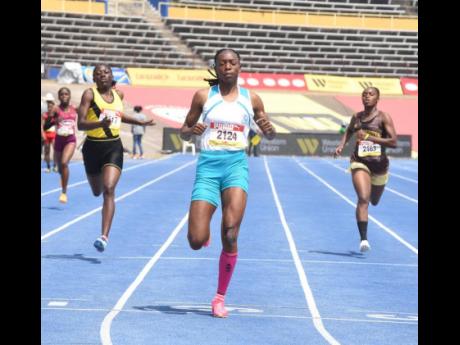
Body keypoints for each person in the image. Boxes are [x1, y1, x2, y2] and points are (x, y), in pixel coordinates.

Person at [179, 48, 276, 318]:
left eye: (232, 62)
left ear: (240, 66)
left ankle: (219, 297)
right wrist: (192, 131)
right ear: (216, 67)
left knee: (231, 233)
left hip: (236, 166)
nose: (228, 67)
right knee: (195, 241)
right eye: (222, 63)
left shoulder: (252, 99)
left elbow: (269, 131)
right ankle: (205, 232)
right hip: (208, 168)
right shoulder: (203, 97)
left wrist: (270, 130)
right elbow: (184, 132)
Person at [77, 64, 155, 252]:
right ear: (94, 79)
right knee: (97, 191)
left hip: (113, 146)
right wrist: (99, 122)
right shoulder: (89, 95)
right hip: (92, 148)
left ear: (111, 76)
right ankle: (101, 184)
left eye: (106, 72)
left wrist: (139, 121)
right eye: (98, 73)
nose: (102, 75)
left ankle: (103, 236)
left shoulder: (119, 95)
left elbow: (119, 116)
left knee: (109, 189)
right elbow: (80, 124)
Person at [334, 87, 397, 252]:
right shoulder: (357, 117)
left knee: (374, 201)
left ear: (377, 99)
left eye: (371, 94)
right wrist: (341, 145)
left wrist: (369, 137)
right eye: (364, 94)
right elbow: (349, 131)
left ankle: (373, 192)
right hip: (359, 161)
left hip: (379, 165)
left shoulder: (383, 117)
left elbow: (393, 142)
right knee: (363, 198)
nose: (367, 97)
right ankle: (364, 240)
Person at [48, 87, 78, 203]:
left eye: (66, 94)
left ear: (69, 96)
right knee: (60, 167)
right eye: (62, 94)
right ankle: (63, 178)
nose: (64, 96)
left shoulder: (74, 108)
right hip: (58, 141)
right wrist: (54, 120)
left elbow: (86, 114)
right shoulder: (55, 109)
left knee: (65, 163)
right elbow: (46, 125)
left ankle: (64, 192)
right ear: (59, 96)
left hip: (70, 140)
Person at [41, 93, 58, 173]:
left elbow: (58, 124)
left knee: (55, 150)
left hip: (54, 134)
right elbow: (42, 126)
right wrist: (43, 135)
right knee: (47, 151)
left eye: (51, 106)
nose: (50, 107)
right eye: (48, 106)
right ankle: (48, 167)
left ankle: (55, 165)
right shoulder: (44, 114)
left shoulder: (56, 114)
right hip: (46, 135)